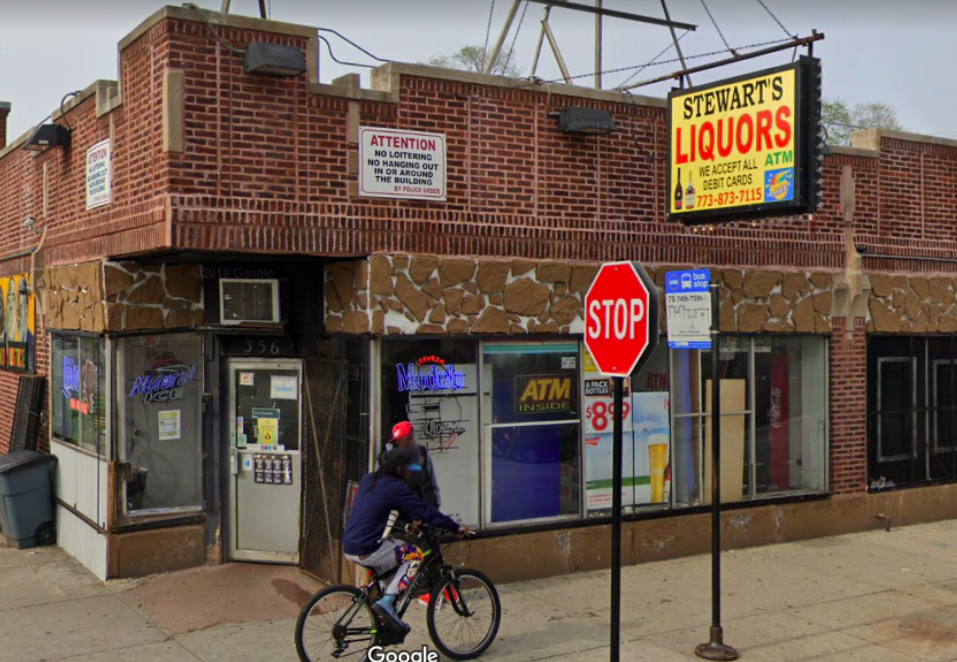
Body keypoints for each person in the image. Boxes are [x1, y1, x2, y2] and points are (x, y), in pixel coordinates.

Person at [343, 445, 466, 633]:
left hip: (350, 546)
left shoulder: (370, 479)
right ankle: (386, 603)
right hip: (369, 549)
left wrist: (409, 522)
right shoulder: (396, 487)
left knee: (393, 568)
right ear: (399, 469)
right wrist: (455, 527)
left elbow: (383, 506)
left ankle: (386, 615)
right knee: (415, 554)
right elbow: (425, 511)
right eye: (410, 469)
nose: (412, 473)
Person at [387, 421, 441, 508]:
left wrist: (437, 504)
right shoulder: (391, 459)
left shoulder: (422, 453)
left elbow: (432, 481)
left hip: (426, 507)